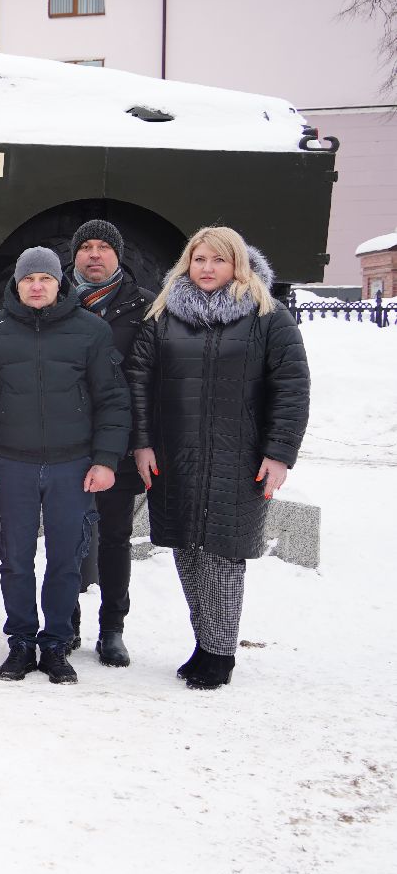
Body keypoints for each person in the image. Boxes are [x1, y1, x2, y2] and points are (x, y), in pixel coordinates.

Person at [126, 227, 309, 691]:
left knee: (224, 555)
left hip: (240, 457)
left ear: (238, 266)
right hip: (175, 454)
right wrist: (142, 443)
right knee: (186, 549)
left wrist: (280, 454)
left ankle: (220, 653)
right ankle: (204, 643)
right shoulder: (163, 316)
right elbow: (138, 383)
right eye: (199, 259)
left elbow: (291, 390)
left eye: (218, 260)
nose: (207, 268)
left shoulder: (269, 317)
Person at [0, 246, 129, 685]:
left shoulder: (90, 331)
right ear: (16, 284)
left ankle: (55, 642)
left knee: (66, 559)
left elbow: (112, 399)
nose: (37, 286)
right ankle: (20, 639)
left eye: (46, 279)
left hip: (72, 465)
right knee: (13, 558)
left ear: (59, 283)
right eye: (28, 279)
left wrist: (106, 459)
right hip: (11, 464)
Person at [68, 219, 155, 666]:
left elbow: (149, 379)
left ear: (118, 256)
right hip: (64, 441)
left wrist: (143, 441)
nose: (95, 254)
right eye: (87, 247)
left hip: (117, 443)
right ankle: (66, 621)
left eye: (104, 247)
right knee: (66, 536)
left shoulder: (144, 308)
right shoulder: (55, 299)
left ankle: (112, 628)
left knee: (115, 537)